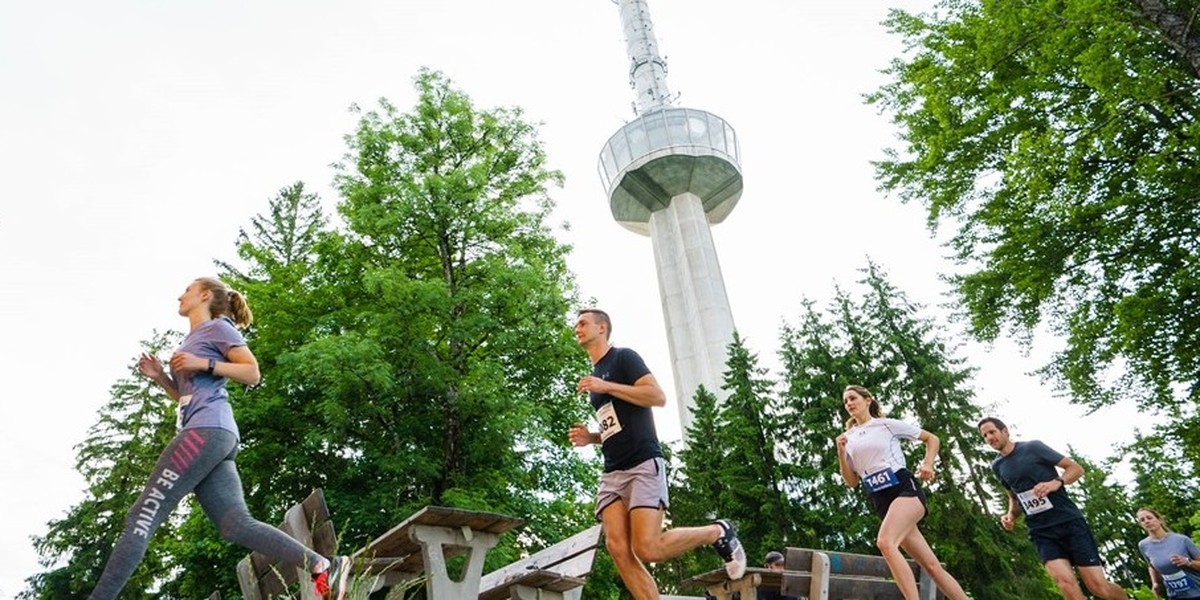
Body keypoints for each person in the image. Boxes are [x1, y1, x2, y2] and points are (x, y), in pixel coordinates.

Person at [89, 278, 351, 600]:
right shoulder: (196, 337)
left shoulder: (218, 328)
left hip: (206, 431)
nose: (180, 295)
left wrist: (204, 363)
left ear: (204, 295)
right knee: (235, 525)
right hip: (212, 434)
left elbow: (252, 373)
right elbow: (187, 397)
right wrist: (161, 378)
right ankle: (323, 566)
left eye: (187, 290)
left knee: (142, 516)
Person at [568, 308, 746, 600]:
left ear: (602, 328)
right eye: (576, 324)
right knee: (617, 548)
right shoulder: (595, 376)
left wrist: (606, 386)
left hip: (642, 463)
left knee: (647, 548)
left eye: (583, 323)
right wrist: (592, 438)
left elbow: (657, 397)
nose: (577, 328)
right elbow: (617, 426)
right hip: (612, 472)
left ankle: (717, 531)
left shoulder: (624, 358)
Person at [835, 385, 969, 600]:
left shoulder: (885, 425)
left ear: (868, 400)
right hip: (881, 500)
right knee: (932, 566)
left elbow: (932, 438)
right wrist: (841, 453)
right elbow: (852, 482)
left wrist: (928, 464)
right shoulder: (847, 438)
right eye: (845, 401)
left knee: (885, 542)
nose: (849, 403)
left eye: (853, 398)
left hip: (904, 489)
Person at [978, 416, 1129, 600]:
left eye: (992, 432)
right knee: (1065, 584)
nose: (989, 438)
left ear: (1005, 431)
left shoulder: (1032, 447)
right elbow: (1014, 497)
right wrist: (1010, 515)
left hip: (1068, 521)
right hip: (1041, 531)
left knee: (1098, 587)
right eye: (985, 436)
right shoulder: (997, 466)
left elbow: (1076, 469)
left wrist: (1056, 482)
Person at [1136, 507, 1200, 599]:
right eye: (1142, 520)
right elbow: (1151, 566)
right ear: (1141, 525)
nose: (1146, 521)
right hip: (1174, 596)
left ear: (1159, 520)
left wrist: (1188, 562)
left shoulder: (1182, 540)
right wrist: (1155, 583)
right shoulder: (1143, 545)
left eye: (1149, 518)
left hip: (1197, 592)